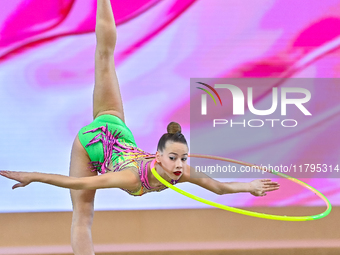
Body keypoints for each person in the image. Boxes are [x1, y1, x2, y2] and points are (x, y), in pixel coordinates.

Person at [0, 1, 280, 254]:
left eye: (183, 158)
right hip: (91, 145)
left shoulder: (180, 173)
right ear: (158, 157)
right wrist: (34, 176)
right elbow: (78, 182)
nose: (180, 164)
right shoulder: (131, 178)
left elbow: (217, 187)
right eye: (173, 158)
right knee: (84, 212)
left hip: (116, 129)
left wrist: (249, 186)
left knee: (105, 60)